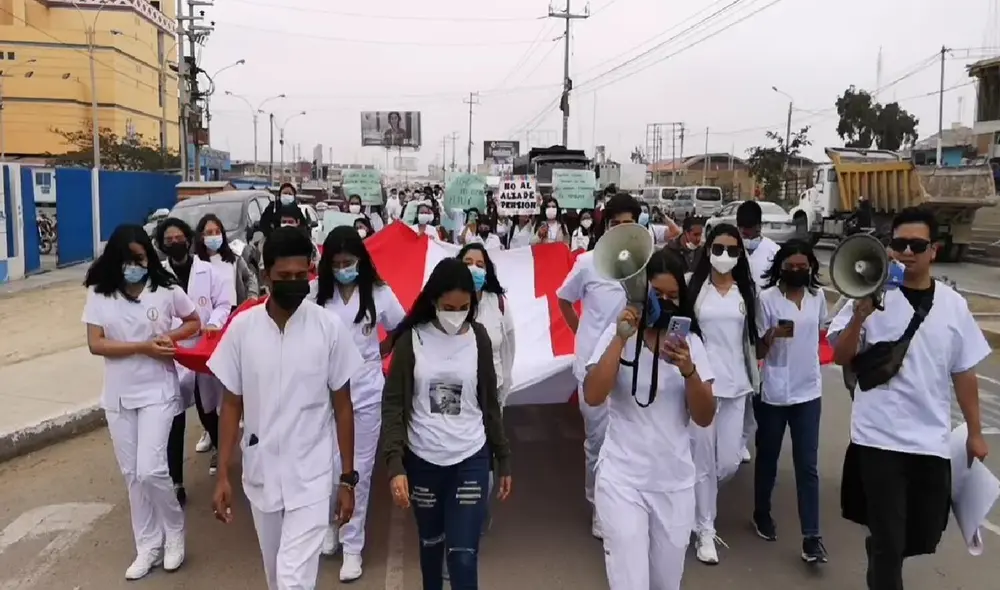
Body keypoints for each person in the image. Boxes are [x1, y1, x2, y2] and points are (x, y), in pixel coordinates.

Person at [829, 207, 990, 589]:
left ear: (933, 250)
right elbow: (840, 355)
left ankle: (883, 553)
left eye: (916, 245)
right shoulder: (868, 293)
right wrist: (859, 316)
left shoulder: (953, 305)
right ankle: (883, 560)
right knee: (889, 539)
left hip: (929, 442)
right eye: (899, 244)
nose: (906, 252)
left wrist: (975, 432)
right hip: (877, 439)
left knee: (922, 535)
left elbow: (964, 371)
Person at [210, 227, 363, 590]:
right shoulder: (242, 330)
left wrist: (347, 479)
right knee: (278, 577)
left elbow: (343, 407)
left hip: (311, 476)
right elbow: (231, 405)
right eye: (284, 277)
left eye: (301, 276)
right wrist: (222, 475)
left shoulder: (329, 329)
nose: (295, 283)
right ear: (266, 276)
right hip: (261, 475)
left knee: (294, 580)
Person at [582, 248, 716, 590]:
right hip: (622, 479)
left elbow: (704, 417)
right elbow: (594, 395)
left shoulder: (692, 345)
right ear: (643, 292)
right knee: (630, 582)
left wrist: (689, 371)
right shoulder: (620, 337)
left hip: (674, 484)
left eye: (674, 296)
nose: (666, 302)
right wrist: (620, 338)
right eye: (658, 294)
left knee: (665, 584)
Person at [381, 257, 512, 590]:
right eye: (448, 307)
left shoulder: (479, 338)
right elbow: (394, 405)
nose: (456, 314)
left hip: (470, 458)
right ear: (433, 301)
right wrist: (395, 464)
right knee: (431, 548)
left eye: (464, 307)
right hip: (423, 463)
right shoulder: (412, 341)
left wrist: (503, 458)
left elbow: (489, 404)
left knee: (463, 556)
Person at [82, 224, 201, 579]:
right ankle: (147, 545)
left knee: (151, 469)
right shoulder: (100, 294)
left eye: (141, 258)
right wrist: (142, 347)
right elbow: (96, 343)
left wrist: (169, 336)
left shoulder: (164, 289)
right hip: (119, 396)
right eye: (128, 259)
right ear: (115, 260)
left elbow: (194, 321)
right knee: (133, 475)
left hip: (157, 391)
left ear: (149, 257)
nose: (135, 265)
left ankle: (174, 531)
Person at [312, 226, 406, 580]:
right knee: (327, 465)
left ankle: (353, 546)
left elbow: (402, 324)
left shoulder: (379, 293)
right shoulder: (315, 296)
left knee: (358, 472)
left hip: (366, 390)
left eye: (348, 262)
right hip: (324, 392)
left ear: (361, 261)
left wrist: (385, 348)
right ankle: (329, 526)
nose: (342, 268)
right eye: (335, 263)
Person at [556, 192, 637, 538]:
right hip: (593, 367)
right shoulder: (588, 263)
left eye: (628, 223)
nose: (621, 229)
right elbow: (564, 298)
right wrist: (582, 337)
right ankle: (599, 507)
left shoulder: (649, 262)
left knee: (632, 439)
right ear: (606, 227)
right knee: (599, 440)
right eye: (615, 223)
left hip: (636, 365)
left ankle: (629, 501)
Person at [686, 223, 760, 564]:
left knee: (727, 463)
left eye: (733, 250)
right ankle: (705, 531)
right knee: (702, 462)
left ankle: (690, 496)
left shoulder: (747, 290)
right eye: (718, 249)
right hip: (700, 386)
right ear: (707, 250)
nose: (725, 256)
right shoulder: (693, 287)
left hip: (736, 387)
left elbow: (755, 337)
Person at [753, 238, 828, 563]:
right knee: (768, 458)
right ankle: (761, 513)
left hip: (808, 391)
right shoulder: (766, 299)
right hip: (773, 391)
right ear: (780, 268)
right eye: (791, 267)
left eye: (803, 267)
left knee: (807, 466)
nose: (797, 271)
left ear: (811, 267)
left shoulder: (818, 297)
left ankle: (812, 536)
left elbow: (820, 335)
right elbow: (756, 350)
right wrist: (770, 336)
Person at [156, 218, 233, 504]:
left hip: (203, 348)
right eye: (168, 239)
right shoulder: (158, 276)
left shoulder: (208, 271)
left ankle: (219, 444)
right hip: (172, 351)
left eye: (179, 238)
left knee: (207, 406)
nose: (174, 243)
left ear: (189, 240)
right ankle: (176, 481)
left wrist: (214, 323)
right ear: (162, 244)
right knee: (174, 415)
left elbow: (223, 304)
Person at [736, 200, 780, 462]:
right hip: (734, 322)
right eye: (743, 230)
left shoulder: (773, 252)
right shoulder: (730, 248)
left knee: (753, 385)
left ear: (759, 227)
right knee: (738, 381)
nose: (746, 236)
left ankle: (743, 437)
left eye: (750, 231)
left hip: (762, 325)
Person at [196, 214, 257, 306]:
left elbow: (250, 278)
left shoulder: (234, 259)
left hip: (234, 313)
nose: (214, 236)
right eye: (209, 232)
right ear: (201, 236)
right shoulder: (196, 263)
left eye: (217, 232)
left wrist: (252, 297)